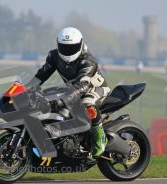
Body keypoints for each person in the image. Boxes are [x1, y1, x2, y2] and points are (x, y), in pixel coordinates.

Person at [27, 27, 111, 159]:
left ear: (80, 44)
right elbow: (42, 74)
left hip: (95, 88)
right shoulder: (54, 56)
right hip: (72, 89)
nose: (67, 51)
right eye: (64, 47)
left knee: (87, 103)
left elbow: (82, 85)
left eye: (71, 48)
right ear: (58, 45)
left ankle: (100, 138)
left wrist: (62, 101)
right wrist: (28, 88)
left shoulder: (88, 60)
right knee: (49, 96)